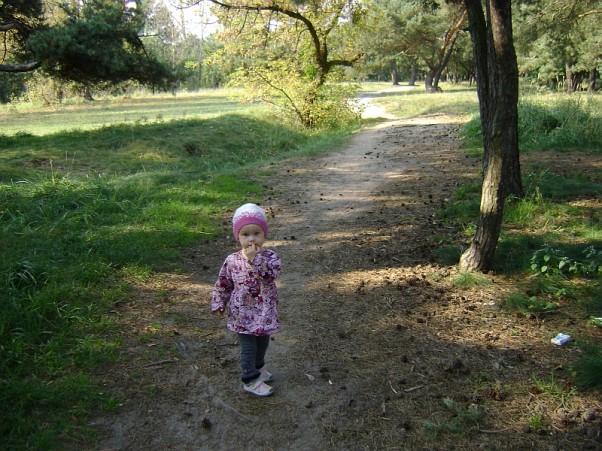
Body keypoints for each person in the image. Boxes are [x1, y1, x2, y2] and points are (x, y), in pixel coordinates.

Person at [211, 203, 282, 397]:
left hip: (264, 312)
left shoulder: (270, 257)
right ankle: (250, 379)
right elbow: (223, 283)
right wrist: (219, 302)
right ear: (238, 237)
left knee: (263, 343)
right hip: (242, 314)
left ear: (264, 235)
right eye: (245, 235)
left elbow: (270, 276)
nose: (251, 239)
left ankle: (258, 368)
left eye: (256, 233)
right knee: (248, 347)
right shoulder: (232, 260)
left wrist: (256, 260)